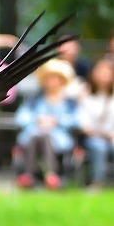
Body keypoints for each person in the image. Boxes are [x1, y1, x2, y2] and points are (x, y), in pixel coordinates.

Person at [14, 58, 79, 190]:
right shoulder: (33, 100)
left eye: (55, 78)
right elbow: (20, 117)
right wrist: (37, 120)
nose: (51, 82)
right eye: (48, 78)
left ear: (62, 80)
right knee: (38, 136)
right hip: (34, 134)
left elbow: (76, 120)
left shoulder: (69, 102)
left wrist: (56, 121)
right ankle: (49, 175)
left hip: (58, 138)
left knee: (44, 136)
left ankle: (29, 174)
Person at [78, 58, 114, 189]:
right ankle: (97, 183)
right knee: (99, 147)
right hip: (92, 137)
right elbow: (84, 124)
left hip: (112, 136)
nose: (104, 75)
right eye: (100, 71)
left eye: (107, 72)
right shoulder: (84, 94)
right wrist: (105, 134)